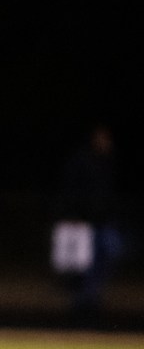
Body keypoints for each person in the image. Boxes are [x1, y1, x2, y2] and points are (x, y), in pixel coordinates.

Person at [51, 122, 124, 325]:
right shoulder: (81, 161)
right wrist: (73, 215)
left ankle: (89, 302)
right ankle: (82, 307)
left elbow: (108, 195)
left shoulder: (108, 163)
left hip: (104, 222)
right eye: (102, 138)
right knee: (82, 266)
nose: (106, 142)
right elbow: (70, 191)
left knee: (108, 256)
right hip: (84, 224)